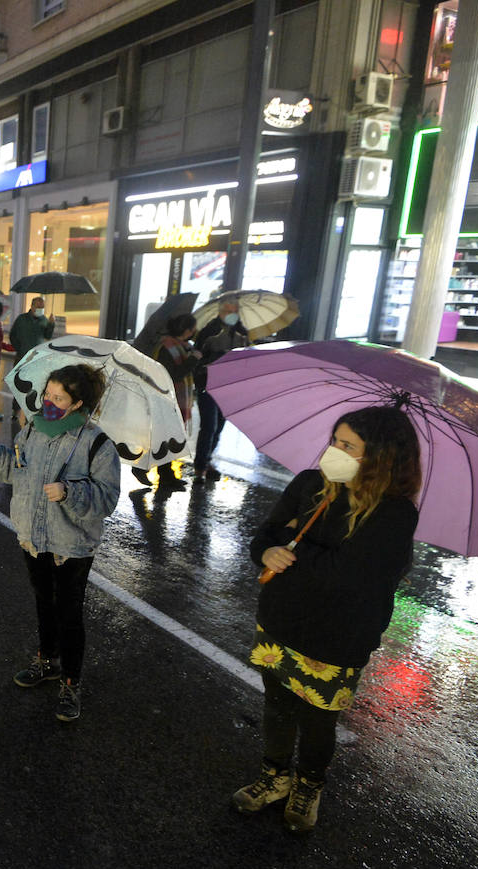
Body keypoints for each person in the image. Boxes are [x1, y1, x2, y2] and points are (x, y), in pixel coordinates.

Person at [234, 406, 421, 833]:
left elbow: (349, 577)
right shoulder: (309, 485)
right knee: (277, 705)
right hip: (280, 620)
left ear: (378, 457)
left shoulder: (394, 514)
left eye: (347, 445)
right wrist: (267, 550)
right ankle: (275, 776)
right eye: (335, 440)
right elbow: (266, 532)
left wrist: (293, 548)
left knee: (318, 720)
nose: (333, 450)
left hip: (337, 637)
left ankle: (308, 786)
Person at [0, 364, 121, 722]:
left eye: (59, 398)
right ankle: (47, 662)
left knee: (69, 614)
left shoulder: (97, 443)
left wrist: (69, 492)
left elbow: (106, 499)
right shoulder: (33, 430)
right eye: (47, 395)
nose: (49, 403)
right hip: (32, 538)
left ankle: (71, 682)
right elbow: (16, 469)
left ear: (77, 404)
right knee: (44, 602)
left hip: (70, 547)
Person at [135, 313, 199, 490]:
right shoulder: (166, 348)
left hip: (176, 400)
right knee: (164, 438)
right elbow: (172, 376)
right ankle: (143, 467)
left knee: (169, 438)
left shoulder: (181, 346)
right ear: (186, 331)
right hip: (165, 399)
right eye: (193, 328)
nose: (194, 332)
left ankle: (166, 475)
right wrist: (193, 359)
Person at [191, 300, 249, 480]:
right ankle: (200, 467)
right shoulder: (209, 331)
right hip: (208, 383)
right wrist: (219, 357)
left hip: (230, 385)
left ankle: (207, 459)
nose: (233, 313)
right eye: (229, 309)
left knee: (220, 425)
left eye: (235, 310)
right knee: (209, 425)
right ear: (221, 311)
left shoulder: (242, 332)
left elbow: (246, 356)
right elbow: (198, 357)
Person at [10, 296, 55, 365]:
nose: (40, 309)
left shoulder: (44, 320)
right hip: (21, 356)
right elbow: (12, 335)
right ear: (32, 306)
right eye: (38, 307)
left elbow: (48, 336)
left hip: (36, 357)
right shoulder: (21, 319)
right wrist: (19, 348)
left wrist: (51, 324)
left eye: (42, 307)